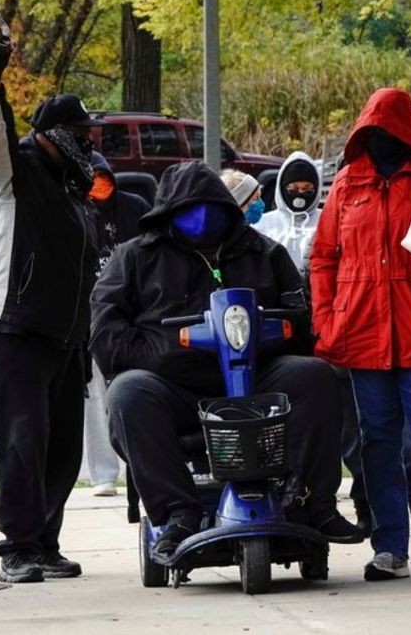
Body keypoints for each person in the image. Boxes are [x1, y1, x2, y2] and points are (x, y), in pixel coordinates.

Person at [89, 160, 363, 564]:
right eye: (190, 209)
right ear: (169, 213)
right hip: (175, 384)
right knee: (128, 393)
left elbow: (300, 321)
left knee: (315, 376)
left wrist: (276, 334)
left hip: (256, 378)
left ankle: (311, 502)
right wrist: (159, 353)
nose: (202, 218)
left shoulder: (263, 251)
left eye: (212, 208)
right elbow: (105, 330)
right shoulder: (136, 257)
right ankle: (177, 514)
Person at [310, 87, 411, 581]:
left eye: (387, 129)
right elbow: (323, 258)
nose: (378, 138)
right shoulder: (345, 185)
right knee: (376, 441)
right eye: (370, 130)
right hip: (362, 333)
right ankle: (390, 548)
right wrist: (328, 322)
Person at [0, 39, 100, 583]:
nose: (87, 143)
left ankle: (45, 541)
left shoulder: (73, 190)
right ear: (52, 136)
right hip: (17, 327)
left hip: (66, 336)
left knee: (62, 446)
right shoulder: (17, 173)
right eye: (78, 134)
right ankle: (18, 547)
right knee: (22, 441)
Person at [82, 152, 151, 496]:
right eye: (92, 180)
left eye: (104, 178)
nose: (99, 186)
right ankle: (104, 473)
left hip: (134, 314)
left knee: (134, 389)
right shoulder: (77, 209)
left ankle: (140, 466)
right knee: (95, 394)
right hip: (92, 315)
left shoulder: (135, 207)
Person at [254, 151, 322, 281]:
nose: (300, 194)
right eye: (293, 189)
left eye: (308, 189)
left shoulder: (326, 220)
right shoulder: (263, 224)